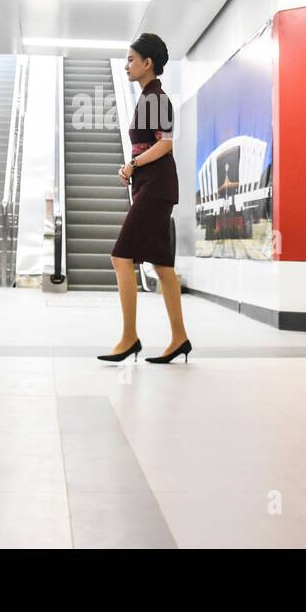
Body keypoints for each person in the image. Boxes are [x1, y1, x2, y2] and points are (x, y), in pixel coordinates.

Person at [96, 33, 192, 364]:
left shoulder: (157, 98)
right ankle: (179, 338)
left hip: (156, 188)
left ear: (147, 63)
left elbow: (165, 144)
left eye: (131, 60)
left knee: (121, 257)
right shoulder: (148, 98)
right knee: (163, 266)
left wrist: (133, 163)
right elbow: (151, 145)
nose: (126, 66)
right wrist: (133, 168)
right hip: (150, 185)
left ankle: (128, 338)